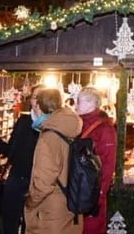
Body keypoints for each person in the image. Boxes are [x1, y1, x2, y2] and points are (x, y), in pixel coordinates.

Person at [0, 84, 44, 234]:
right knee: (10, 222)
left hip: (38, 184)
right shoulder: (24, 121)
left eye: (41, 97)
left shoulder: (52, 125)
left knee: (32, 225)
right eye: (34, 97)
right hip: (16, 181)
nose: (37, 101)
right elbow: (9, 151)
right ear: (30, 100)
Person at [25, 87, 83, 234]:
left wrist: (30, 202)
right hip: (71, 203)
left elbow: (44, 182)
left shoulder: (48, 137)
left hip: (49, 213)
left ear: (38, 106)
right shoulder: (69, 128)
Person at [73, 87, 117, 233]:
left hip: (91, 193)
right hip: (78, 192)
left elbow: (108, 164)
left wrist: (100, 194)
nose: (75, 105)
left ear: (91, 103)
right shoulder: (78, 124)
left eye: (78, 101)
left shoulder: (104, 128)